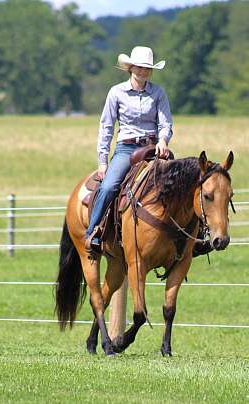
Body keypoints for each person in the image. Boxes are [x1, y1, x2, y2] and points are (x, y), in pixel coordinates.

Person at [85, 46, 173, 254]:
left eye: (147, 68)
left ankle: (190, 237)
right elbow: (106, 127)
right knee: (108, 187)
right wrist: (103, 161)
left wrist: (163, 140)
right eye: (139, 67)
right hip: (127, 149)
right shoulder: (116, 92)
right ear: (130, 67)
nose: (143, 71)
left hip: (154, 148)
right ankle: (93, 232)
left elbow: (166, 123)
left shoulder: (158, 93)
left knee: (180, 183)